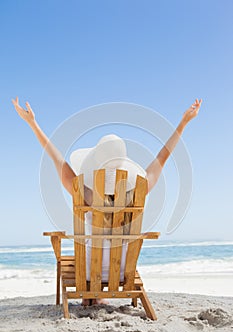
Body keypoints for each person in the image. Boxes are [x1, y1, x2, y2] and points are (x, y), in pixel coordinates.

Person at [12, 97, 202, 305]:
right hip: (122, 271)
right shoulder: (139, 191)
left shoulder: (83, 192)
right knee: (112, 254)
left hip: (87, 272)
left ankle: (91, 297)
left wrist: (32, 123)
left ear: (94, 165)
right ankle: (98, 297)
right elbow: (162, 158)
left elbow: (57, 160)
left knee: (86, 254)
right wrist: (184, 122)